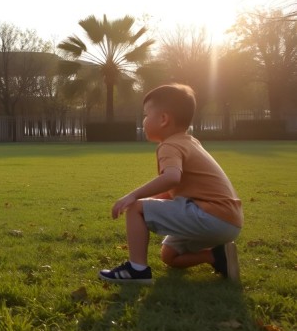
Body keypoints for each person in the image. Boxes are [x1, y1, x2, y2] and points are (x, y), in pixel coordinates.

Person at [99, 83, 243, 284]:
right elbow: (175, 189)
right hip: (229, 221)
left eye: (146, 115)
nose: (144, 120)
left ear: (164, 119)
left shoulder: (169, 145)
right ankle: (216, 257)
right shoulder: (189, 141)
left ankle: (137, 269)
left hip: (211, 216)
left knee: (135, 208)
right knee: (169, 256)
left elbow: (171, 178)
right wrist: (151, 201)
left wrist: (133, 196)